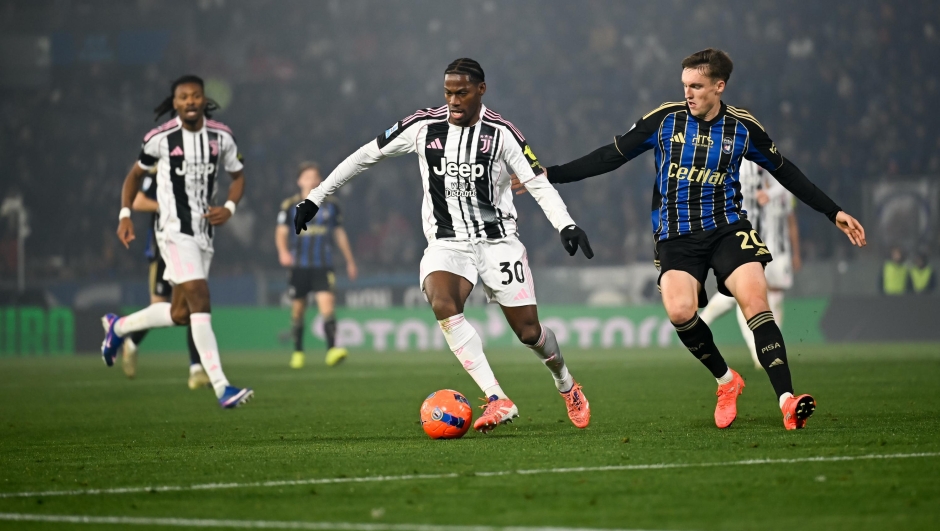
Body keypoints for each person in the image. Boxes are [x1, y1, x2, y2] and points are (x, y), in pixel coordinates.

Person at [514, 49, 866, 430]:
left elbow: (787, 173)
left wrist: (833, 212)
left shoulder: (743, 127)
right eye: (685, 86)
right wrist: (550, 174)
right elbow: (611, 156)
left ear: (719, 86)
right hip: (676, 235)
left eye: (696, 86)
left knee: (756, 301)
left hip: (728, 228)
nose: (689, 93)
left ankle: (787, 399)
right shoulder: (665, 119)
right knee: (681, 311)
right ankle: (726, 380)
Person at [294, 58, 594, 433]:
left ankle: (566, 382)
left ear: (481, 90)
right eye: (448, 92)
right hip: (448, 241)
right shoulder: (423, 126)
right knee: (442, 301)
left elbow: (535, 181)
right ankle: (498, 398)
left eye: (462, 92)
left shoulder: (502, 134)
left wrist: (565, 224)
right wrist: (316, 198)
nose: (453, 100)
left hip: (498, 242)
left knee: (529, 333)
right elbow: (366, 155)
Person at [102, 74, 253, 408]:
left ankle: (119, 327)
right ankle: (221, 386)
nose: (190, 101)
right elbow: (135, 175)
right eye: (183, 97)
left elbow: (238, 176)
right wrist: (124, 214)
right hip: (172, 231)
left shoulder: (222, 137)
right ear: (175, 103)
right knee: (200, 299)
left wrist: (229, 207)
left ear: (204, 100)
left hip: (203, 232)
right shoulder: (160, 138)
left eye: (195, 96)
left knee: (180, 314)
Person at [106, 168, 211, 388]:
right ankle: (130, 340)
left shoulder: (196, 171)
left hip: (191, 246)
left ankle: (196, 369)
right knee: (161, 307)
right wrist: (167, 206)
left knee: (195, 305)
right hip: (163, 247)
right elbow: (138, 201)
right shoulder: (160, 172)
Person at [699, 160, 801, 369]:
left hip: (779, 251)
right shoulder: (743, 187)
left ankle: (769, 348)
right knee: (747, 294)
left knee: (767, 295)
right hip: (752, 245)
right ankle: (761, 352)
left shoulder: (782, 193)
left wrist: (796, 253)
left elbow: (791, 220)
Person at [276, 162, 358, 369]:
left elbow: (339, 233)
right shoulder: (289, 206)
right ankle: (298, 352)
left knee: (327, 306)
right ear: (299, 181)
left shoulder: (332, 205)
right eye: (307, 177)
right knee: (298, 310)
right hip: (299, 266)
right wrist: (283, 252)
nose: (311, 180)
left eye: (315, 176)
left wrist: (350, 260)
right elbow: (281, 232)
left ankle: (332, 350)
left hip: (324, 264)